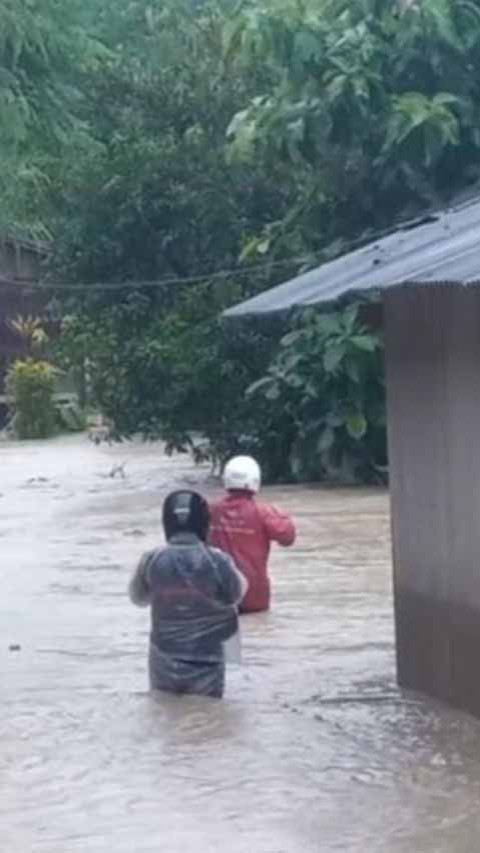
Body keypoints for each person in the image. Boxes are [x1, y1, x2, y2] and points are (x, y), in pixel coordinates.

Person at [129, 490, 247, 699]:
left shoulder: (151, 559)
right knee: (207, 720)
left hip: (163, 659)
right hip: (208, 660)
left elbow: (138, 598)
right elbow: (237, 594)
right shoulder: (218, 560)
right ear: (203, 522)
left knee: (166, 718)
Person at [209, 456, 296, 614]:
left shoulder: (210, 511)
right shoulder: (264, 512)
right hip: (255, 596)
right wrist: (281, 515)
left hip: (219, 594)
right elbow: (288, 538)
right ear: (255, 480)